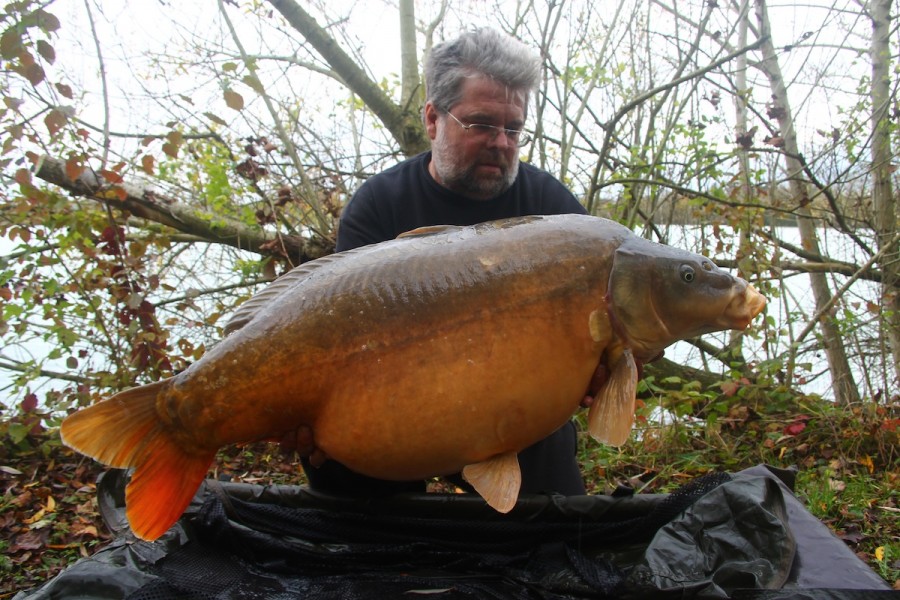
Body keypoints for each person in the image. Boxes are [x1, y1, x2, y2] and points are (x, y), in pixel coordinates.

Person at [300, 26, 588, 499]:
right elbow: (337, 337)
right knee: (334, 466)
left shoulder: (551, 208)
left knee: (553, 528)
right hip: (397, 412)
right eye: (481, 124)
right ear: (433, 119)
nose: (501, 142)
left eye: (513, 129)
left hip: (518, 421)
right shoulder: (378, 206)